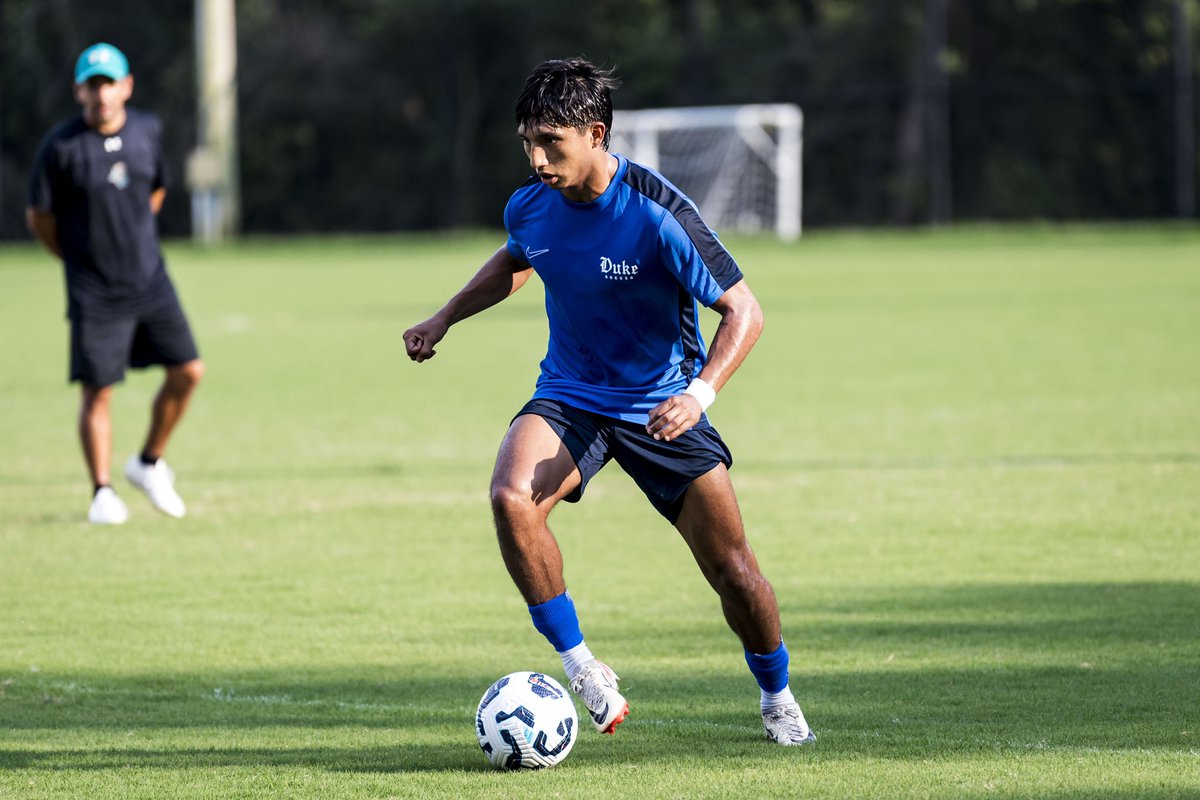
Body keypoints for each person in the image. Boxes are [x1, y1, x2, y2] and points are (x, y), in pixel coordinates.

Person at [404, 57, 814, 746]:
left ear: (595, 134)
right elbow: (518, 258)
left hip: (661, 408)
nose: (537, 160)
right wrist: (444, 317)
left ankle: (778, 696)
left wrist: (699, 394)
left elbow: (744, 311)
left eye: (551, 143)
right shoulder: (530, 205)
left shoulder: (658, 214)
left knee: (734, 572)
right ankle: (583, 668)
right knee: (510, 498)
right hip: (571, 395)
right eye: (527, 143)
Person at [26, 43, 204, 524]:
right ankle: (102, 492)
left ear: (126, 86)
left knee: (188, 371)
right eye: (93, 85)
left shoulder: (148, 130)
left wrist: (132, 238)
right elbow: (39, 217)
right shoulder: (61, 147)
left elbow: (156, 190)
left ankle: (148, 463)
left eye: (109, 84)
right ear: (79, 91)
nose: (101, 95)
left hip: (149, 279)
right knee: (98, 390)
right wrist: (75, 257)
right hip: (95, 289)